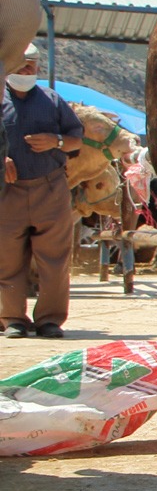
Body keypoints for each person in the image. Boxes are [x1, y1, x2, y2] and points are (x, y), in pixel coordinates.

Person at [1, 43, 85, 338]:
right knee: (7, 256)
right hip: (7, 191)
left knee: (54, 257)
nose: (27, 70)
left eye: (32, 64)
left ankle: (50, 319)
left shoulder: (52, 100)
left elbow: (76, 138)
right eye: (21, 64)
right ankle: (12, 319)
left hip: (50, 187)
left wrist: (56, 141)